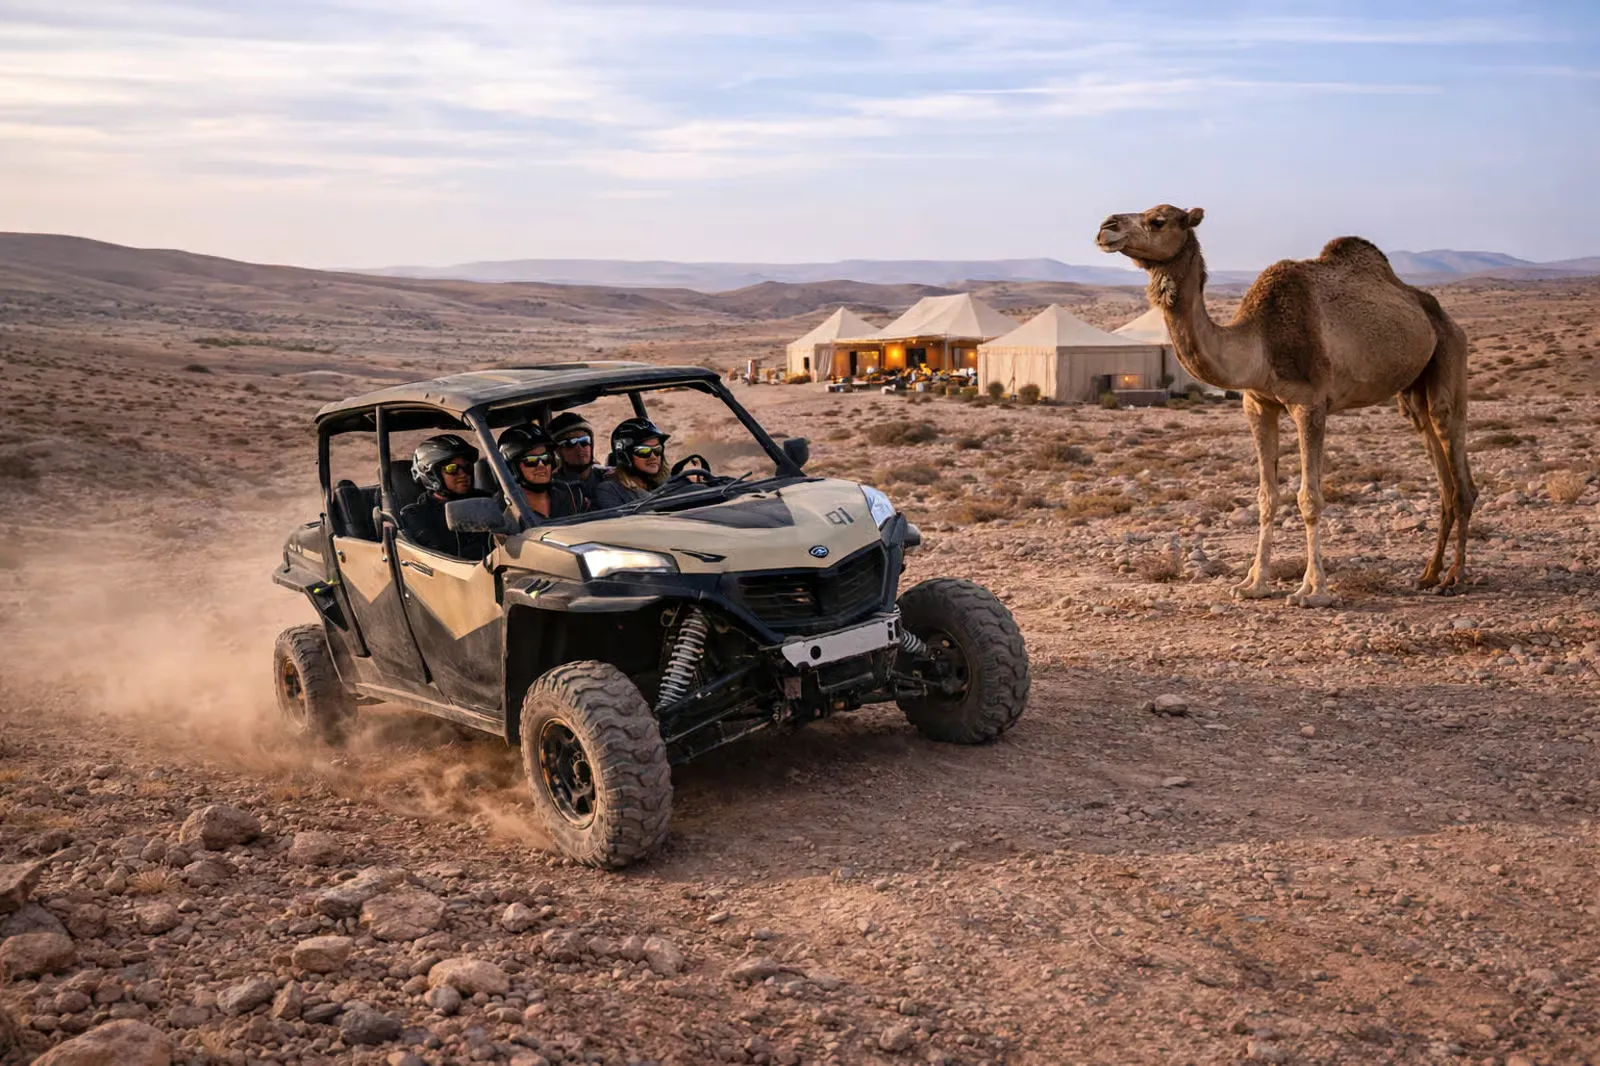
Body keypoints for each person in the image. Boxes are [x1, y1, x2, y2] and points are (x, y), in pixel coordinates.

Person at [399, 434, 494, 559]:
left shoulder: (487, 500)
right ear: (431, 475)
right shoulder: (417, 515)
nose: (463, 474)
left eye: (467, 467)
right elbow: (438, 561)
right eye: (452, 468)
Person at [498, 425, 586, 522]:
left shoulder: (570, 494)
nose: (541, 465)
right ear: (512, 468)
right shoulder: (501, 507)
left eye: (545, 458)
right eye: (531, 460)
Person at [593, 417, 670, 510]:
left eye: (657, 449)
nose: (653, 457)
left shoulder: (667, 483)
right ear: (624, 455)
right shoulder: (610, 490)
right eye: (644, 451)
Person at [547, 411, 608, 505]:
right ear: (558, 451)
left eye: (584, 441)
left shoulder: (610, 477)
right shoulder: (553, 489)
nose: (579, 448)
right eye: (571, 443)